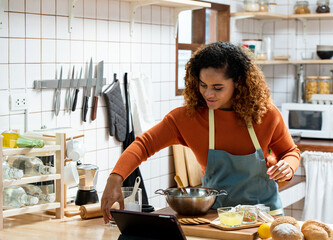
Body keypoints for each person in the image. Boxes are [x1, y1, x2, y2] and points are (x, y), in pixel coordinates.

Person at [101, 41, 301, 223]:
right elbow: (144, 145)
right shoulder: (187, 118)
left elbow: (291, 152)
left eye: (218, 87)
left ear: (239, 82)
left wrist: (288, 167)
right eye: (203, 85)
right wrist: (115, 178)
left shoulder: (265, 114)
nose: (208, 93)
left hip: (264, 217)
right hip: (217, 218)